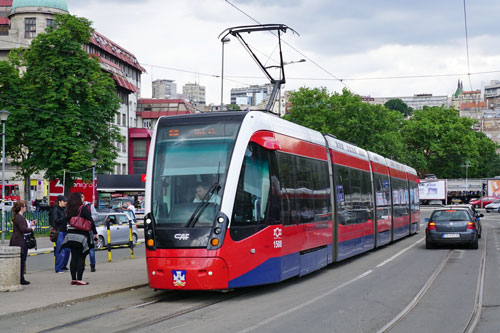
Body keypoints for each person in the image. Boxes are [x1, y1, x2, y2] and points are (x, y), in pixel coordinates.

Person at [61, 192, 97, 285]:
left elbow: (66, 221)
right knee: (81, 257)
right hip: (81, 236)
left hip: (71, 236)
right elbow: (91, 221)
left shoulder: (69, 209)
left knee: (73, 257)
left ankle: (73, 279)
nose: (82, 198)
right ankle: (79, 279)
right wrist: (95, 233)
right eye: (81, 197)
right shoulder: (83, 208)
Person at [9, 200, 36, 285]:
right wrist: (31, 229)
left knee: (22, 260)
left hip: (18, 240)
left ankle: (21, 277)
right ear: (21, 208)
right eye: (24, 206)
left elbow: (23, 227)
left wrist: (30, 224)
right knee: (21, 260)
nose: (25, 208)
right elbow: (23, 229)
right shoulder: (19, 217)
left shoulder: (19, 216)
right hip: (19, 241)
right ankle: (20, 278)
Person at [51, 195, 69, 273]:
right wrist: (65, 217)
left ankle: (64, 265)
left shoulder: (65, 209)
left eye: (66, 201)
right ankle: (58, 268)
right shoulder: (55, 209)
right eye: (64, 201)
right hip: (59, 232)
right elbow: (55, 221)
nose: (65, 203)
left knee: (67, 250)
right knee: (60, 250)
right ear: (59, 202)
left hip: (65, 231)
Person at [83, 197, 98, 272]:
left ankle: (92, 265)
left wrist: (88, 219)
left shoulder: (89, 205)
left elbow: (95, 216)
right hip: (81, 231)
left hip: (89, 230)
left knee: (91, 248)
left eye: (82, 197)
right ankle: (81, 265)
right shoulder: (77, 206)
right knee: (82, 249)